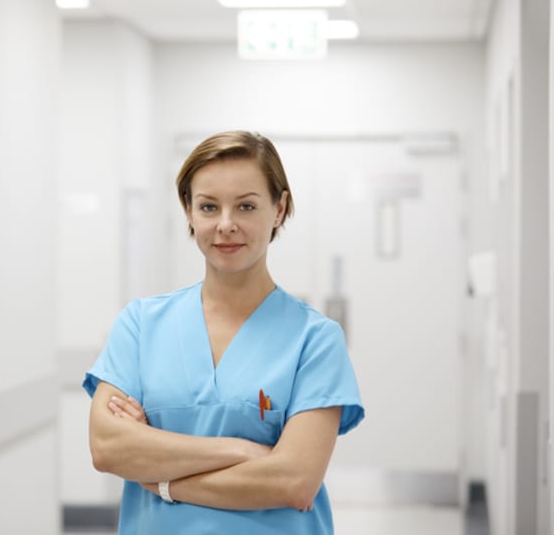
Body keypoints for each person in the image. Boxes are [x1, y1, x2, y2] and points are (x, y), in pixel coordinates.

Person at [83, 130, 364, 534]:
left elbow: (294, 481)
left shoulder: (314, 340)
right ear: (189, 211)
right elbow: (108, 448)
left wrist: (163, 480)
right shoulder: (141, 325)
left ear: (279, 208)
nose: (226, 225)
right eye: (209, 206)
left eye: (246, 206)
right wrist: (239, 450)